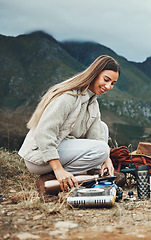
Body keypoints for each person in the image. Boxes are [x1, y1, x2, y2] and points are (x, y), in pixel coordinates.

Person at [19, 55, 120, 192]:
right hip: (38, 157)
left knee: (102, 127)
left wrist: (106, 160)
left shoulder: (93, 102)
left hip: (62, 148)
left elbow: (96, 134)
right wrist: (58, 169)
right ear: (95, 74)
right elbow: (43, 132)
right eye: (106, 80)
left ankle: (96, 174)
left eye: (113, 83)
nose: (108, 86)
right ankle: (54, 177)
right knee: (101, 149)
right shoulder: (68, 97)